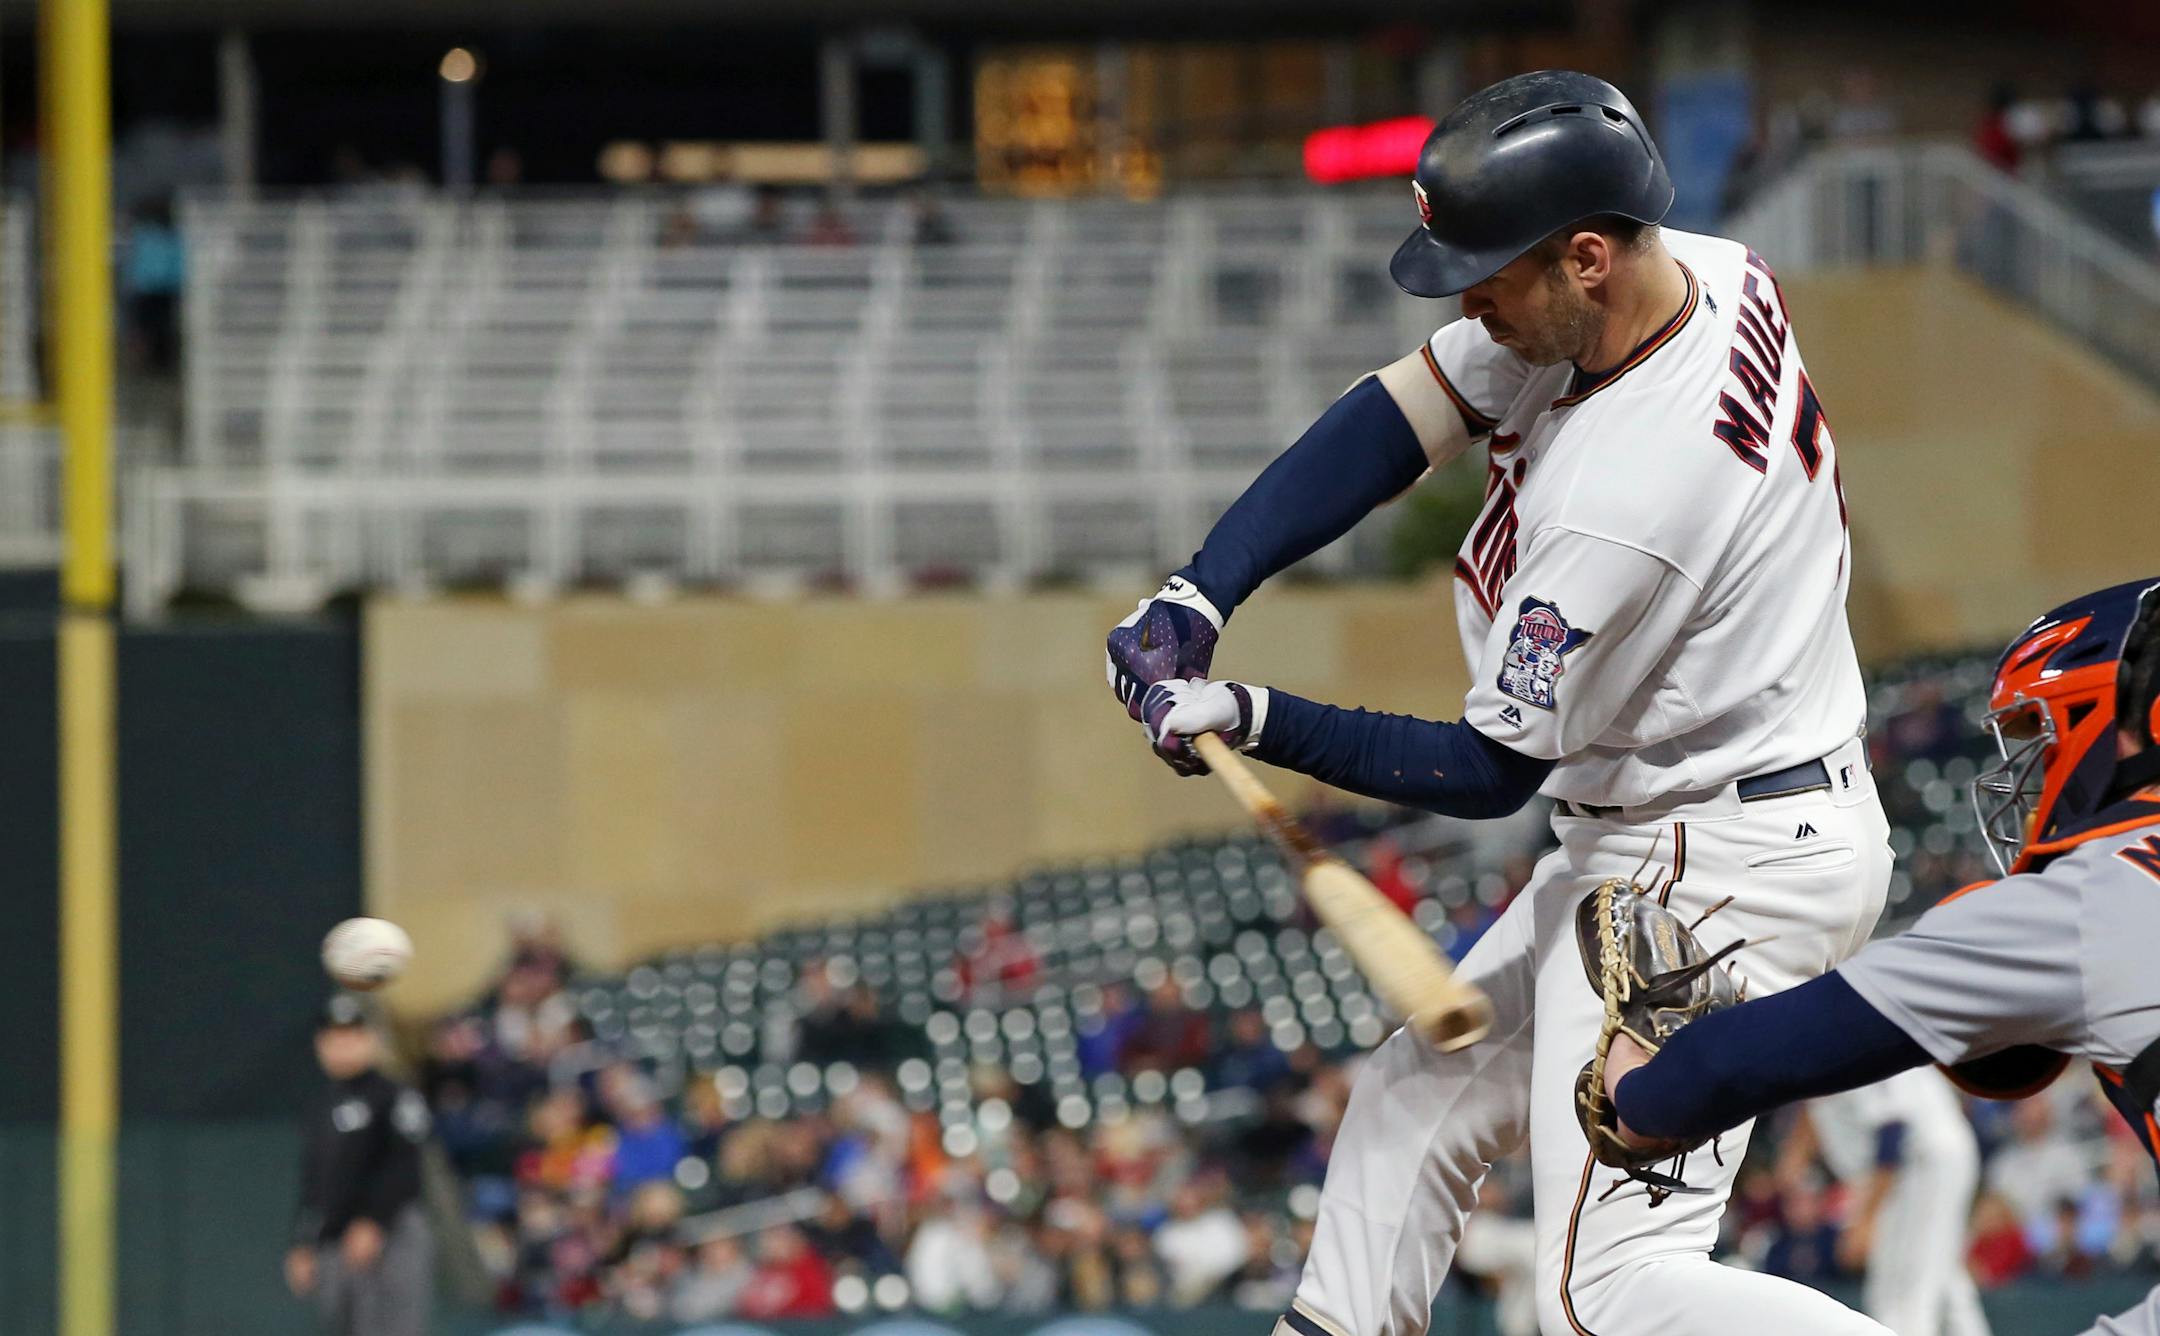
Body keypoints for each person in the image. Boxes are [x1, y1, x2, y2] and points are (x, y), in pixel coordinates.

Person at [1107, 69, 1889, 1336]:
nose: (1466, 299)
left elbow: (1484, 773)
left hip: (1710, 860)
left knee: (1609, 1295)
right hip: (1690, 816)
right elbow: (1398, 416)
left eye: (1489, 273)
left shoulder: (1628, 493)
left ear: (1586, 255)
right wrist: (1204, 590)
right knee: (1418, 1090)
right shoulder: (1693, 270)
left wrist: (1248, 713)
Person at [1602, 577, 2160, 1336]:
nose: (2039, 764)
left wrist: (1635, 1087)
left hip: (1922, 1166)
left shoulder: (2088, 896)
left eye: (2051, 729)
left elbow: (1716, 1073)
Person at [1799, 1069, 1992, 1336]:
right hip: (1930, 1159)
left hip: (1921, 1163)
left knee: (1900, 1289)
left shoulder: (1855, 1042)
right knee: (1939, 1270)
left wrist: (1867, 1218)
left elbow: (1893, 1131)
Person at [288, 993, 435, 1336]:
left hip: (391, 1235)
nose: (343, 1045)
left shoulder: (395, 1096)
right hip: (335, 1240)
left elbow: (405, 1166)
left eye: (353, 1034)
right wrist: (302, 1241)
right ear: (319, 1043)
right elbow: (315, 1183)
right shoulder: (321, 1104)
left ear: (371, 1039)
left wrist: (374, 1220)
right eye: (334, 1036)